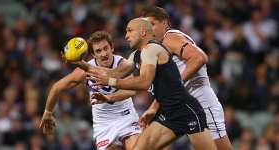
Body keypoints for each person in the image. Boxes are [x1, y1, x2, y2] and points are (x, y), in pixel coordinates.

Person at [88, 18, 217, 150]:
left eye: (130, 31)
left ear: (143, 32)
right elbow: (116, 72)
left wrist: (110, 82)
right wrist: (79, 63)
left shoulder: (151, 48)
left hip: (185, 110)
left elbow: (144, 82)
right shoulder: (137, 54)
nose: (126, 36)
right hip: (167, 112)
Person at [140, 6, 232, 150]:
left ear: (164, 23)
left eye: (152, 24)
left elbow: (199, 57)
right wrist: (153, 107)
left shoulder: (170, 37)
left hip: (201, 100)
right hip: (181, 107)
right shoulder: (157, 48)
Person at [39, 31, 141, 150]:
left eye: (105, 48)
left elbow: (132, 91)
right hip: (104, 123)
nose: (103, 53)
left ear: (112, 47)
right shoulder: (84, 72)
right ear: (93, 54)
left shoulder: (122, 64)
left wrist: (108, 97)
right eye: (98, 51)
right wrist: (48, 112)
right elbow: (57, 87)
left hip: (126, 116)